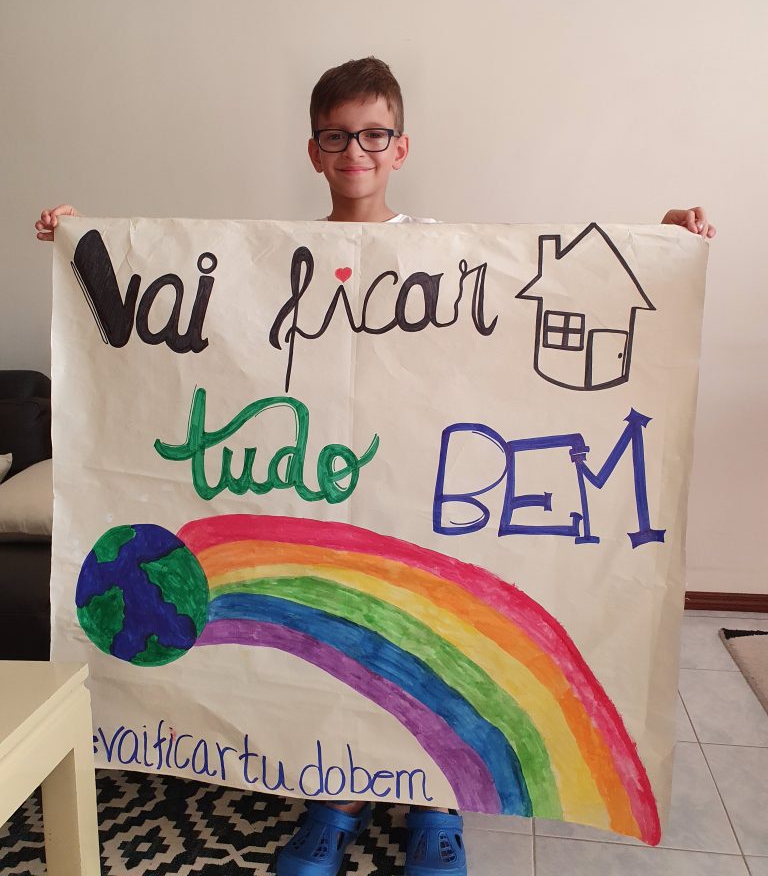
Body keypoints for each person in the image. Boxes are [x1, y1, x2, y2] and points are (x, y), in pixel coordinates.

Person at [35, 57, 716, 876]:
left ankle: (435, 806)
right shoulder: (272, 259)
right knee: (340, 647)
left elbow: (550, 301)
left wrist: (662, 241)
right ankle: (339, 798)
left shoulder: (448, 252)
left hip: (418, 493)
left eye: (372, 134)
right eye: (337, 136)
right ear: (314, 151)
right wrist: (85, 244)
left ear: (400, 147)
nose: (355, 150)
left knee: (419, 645)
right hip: (324, 489)